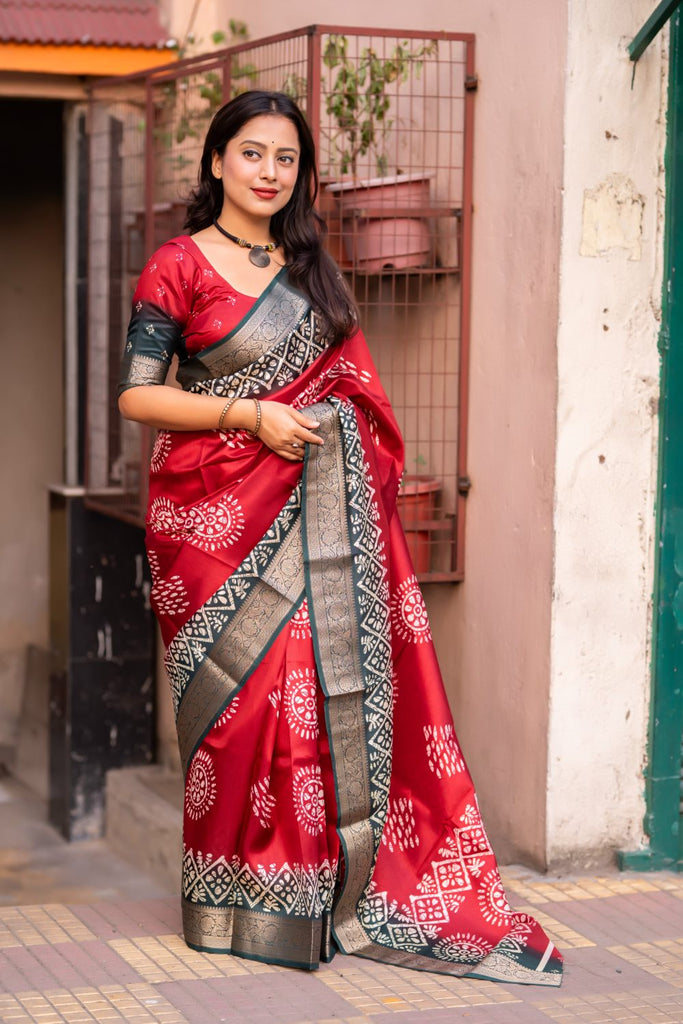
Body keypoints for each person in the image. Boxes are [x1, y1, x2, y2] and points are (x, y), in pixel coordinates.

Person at [118, 89, 563, 986]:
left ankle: (315, 898)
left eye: (285, 159)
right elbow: (138, 394)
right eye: (251, 154)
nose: (269, 173)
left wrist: (320, 431)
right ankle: (230, 900)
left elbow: (353, 390)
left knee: (310, 696)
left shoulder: (313, 267)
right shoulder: (177, 264)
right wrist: (251, 416)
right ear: (215, 163)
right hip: (215, 521)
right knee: (241, 708)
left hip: (317, 506)